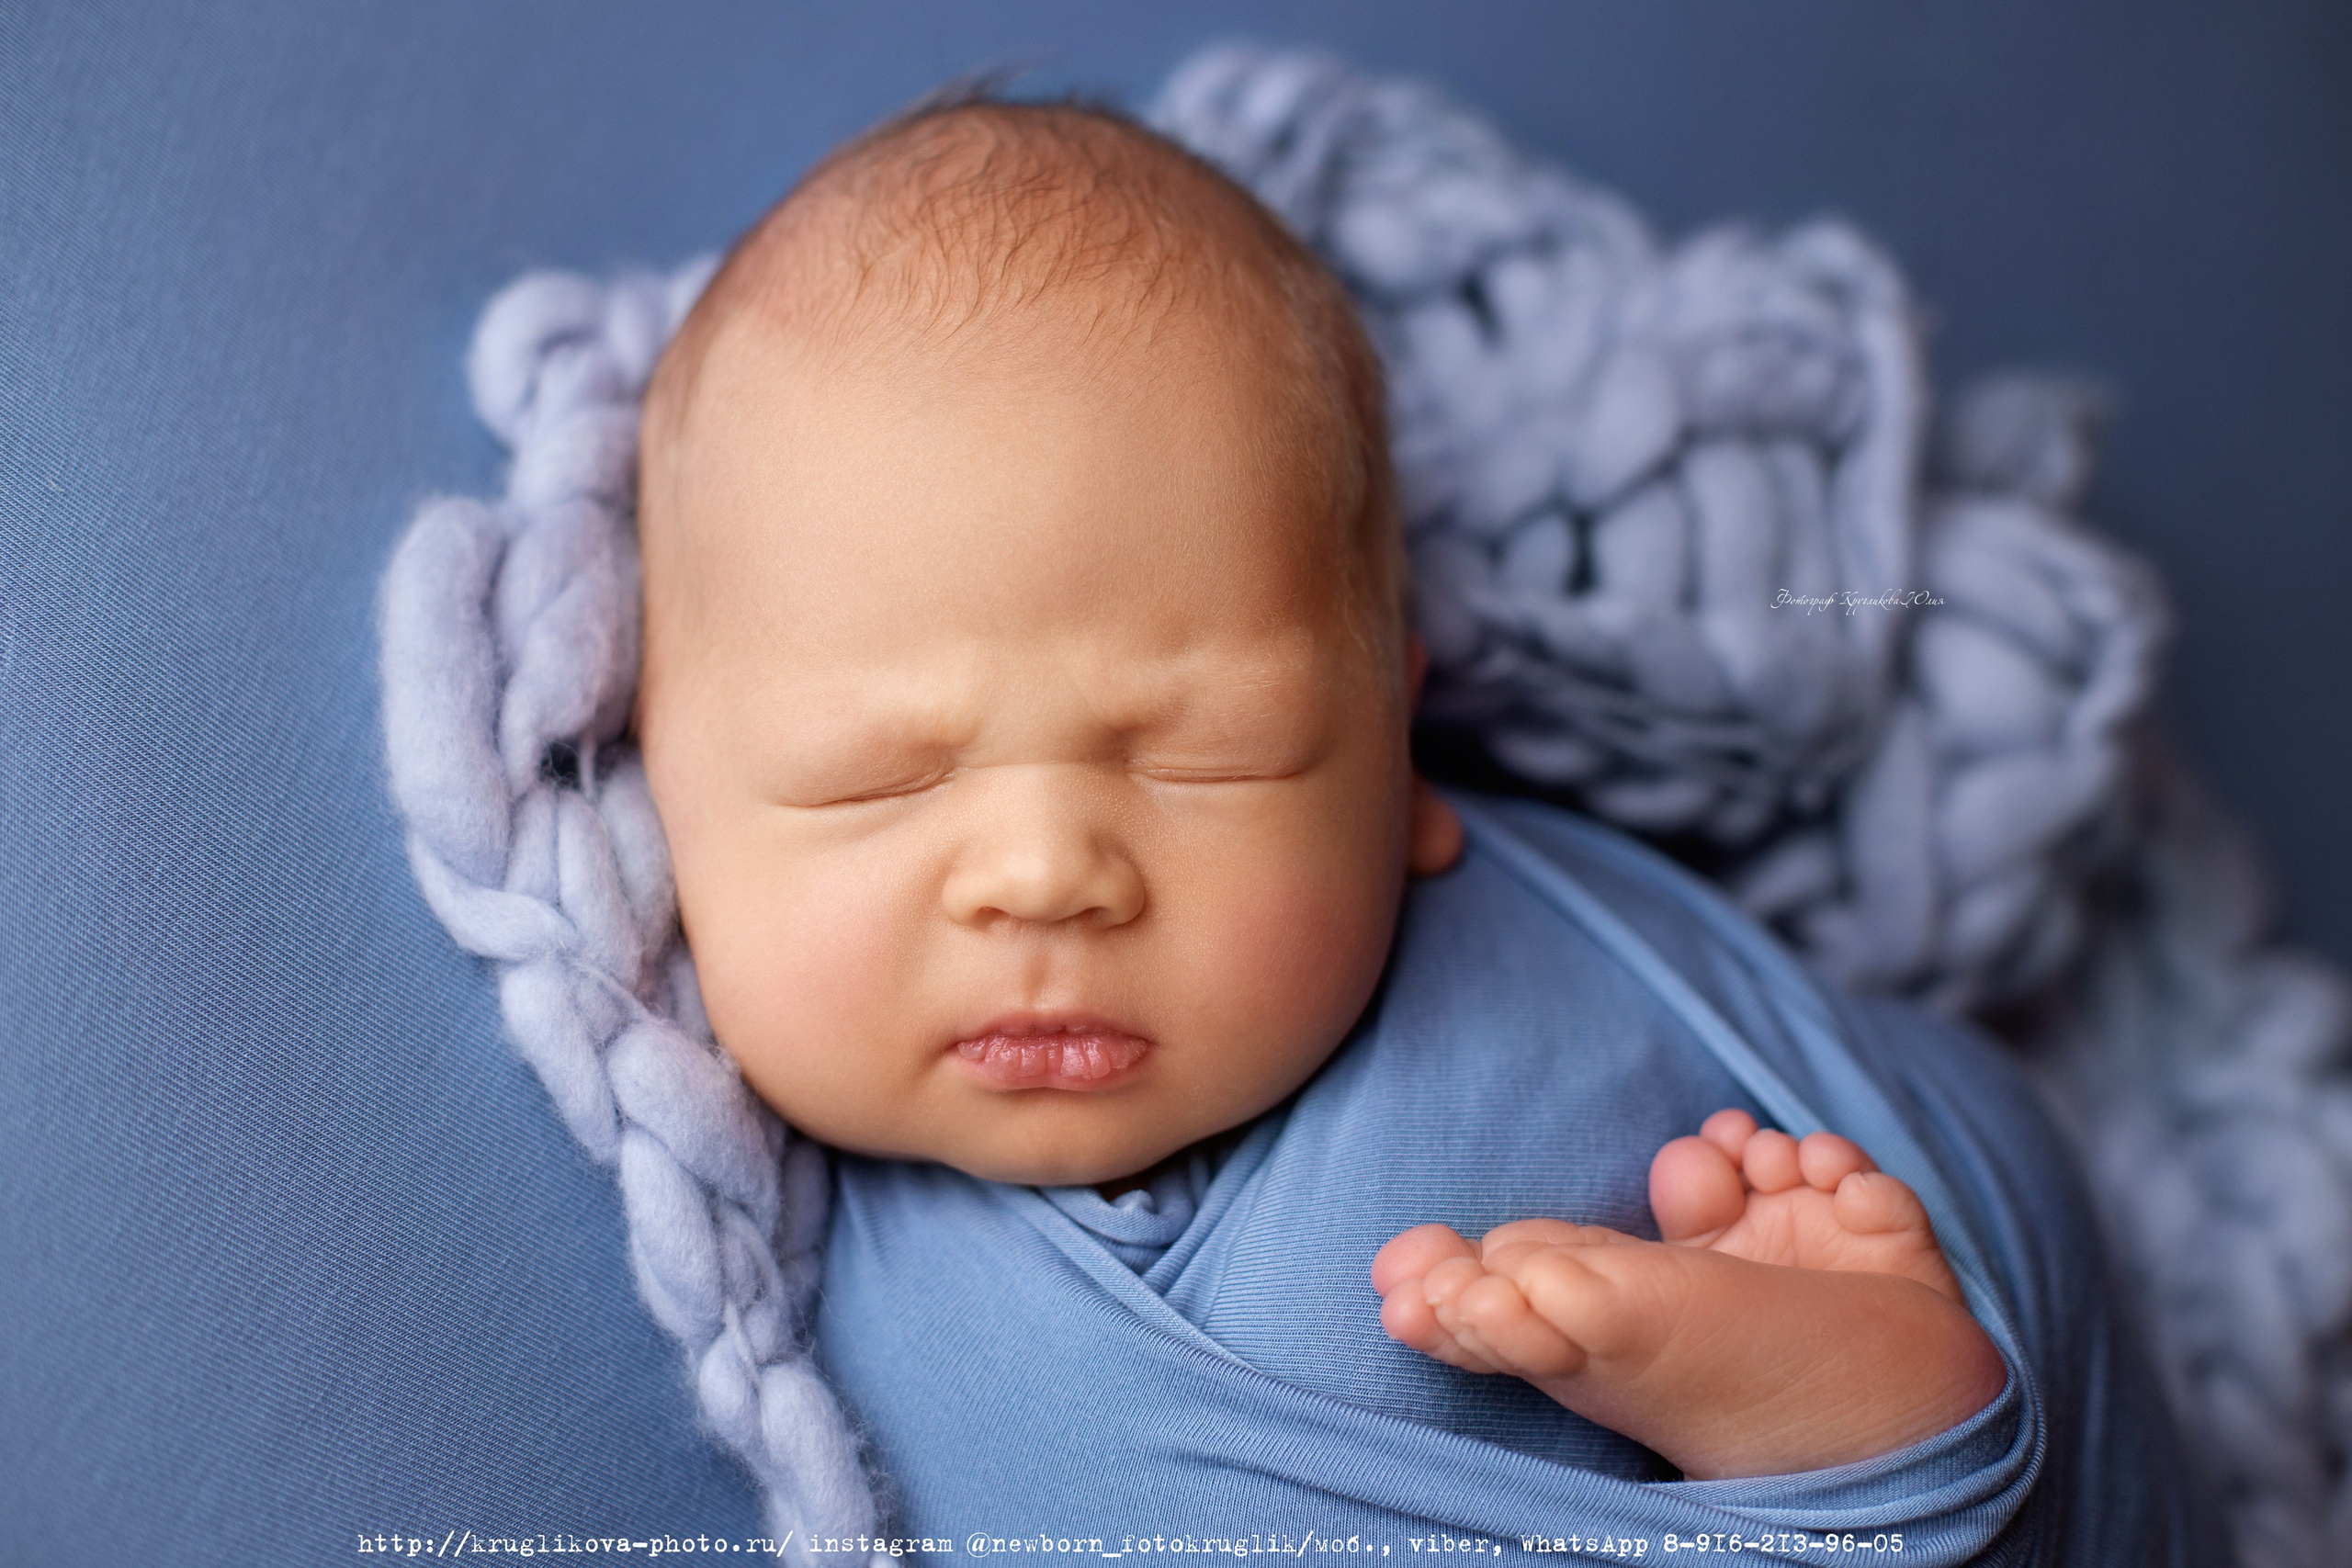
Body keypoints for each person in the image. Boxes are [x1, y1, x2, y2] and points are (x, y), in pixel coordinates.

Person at [626, 96, 2187, 1554]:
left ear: (1401, 763)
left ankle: (1863, 1454)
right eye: (874, 780)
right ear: (656, 781)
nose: (1046, 874)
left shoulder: (1497, 1047)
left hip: (1897, 1247)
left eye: (1211, 755)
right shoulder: (794, 1251)